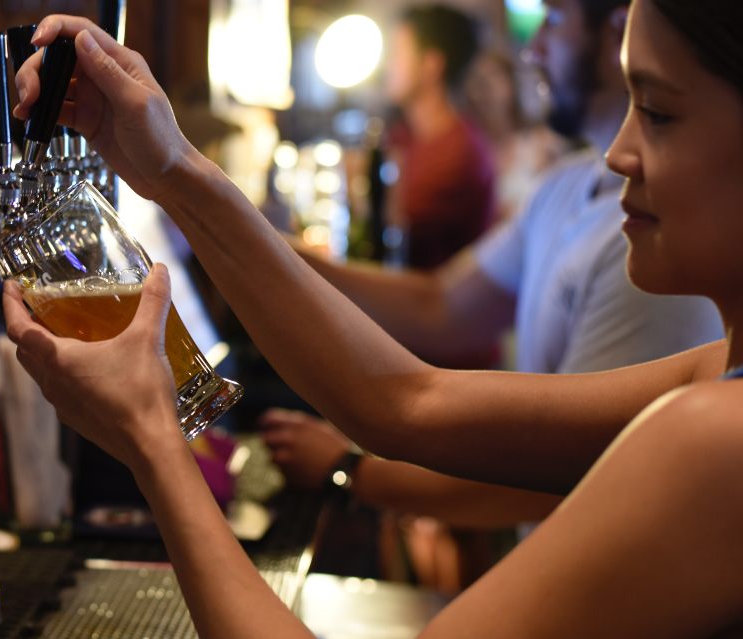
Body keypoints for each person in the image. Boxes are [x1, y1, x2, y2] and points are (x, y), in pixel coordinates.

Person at [6, 1, 743, 639]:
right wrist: (169, 169)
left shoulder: (715, 441)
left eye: (660, 113)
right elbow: (404, 403)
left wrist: (151, 440)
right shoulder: (714, 382)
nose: (619, 153)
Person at [263, 0, 721, 543]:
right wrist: (265, 246)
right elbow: (438, 306)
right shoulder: (567, 184)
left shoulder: (659, 245)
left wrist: (349, 469)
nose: (532, 49)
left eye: (554, 18)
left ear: (618, 26)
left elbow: (557, 474)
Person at [383, 4, 496, 271]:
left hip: (426, 305)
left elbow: (390, 221)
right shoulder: (403, 134)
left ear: (431, 64)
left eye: (397, 54)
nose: (388, 66)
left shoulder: (460, 153)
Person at [463, 50, 566, 221]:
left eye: (494, 77)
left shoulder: (541, 142)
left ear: (512, 84)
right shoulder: (468, 153)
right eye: (478, 80)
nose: (485, 88)